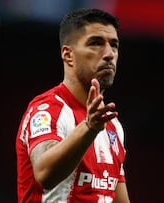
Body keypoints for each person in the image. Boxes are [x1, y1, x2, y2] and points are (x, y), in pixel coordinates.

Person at [15, 8, 130, 203]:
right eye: (96, 43)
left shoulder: (113, 126)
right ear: (68, 55)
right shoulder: (48, 109)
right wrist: (89, 127)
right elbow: (45, 174)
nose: (109, 54)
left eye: (114, 45)